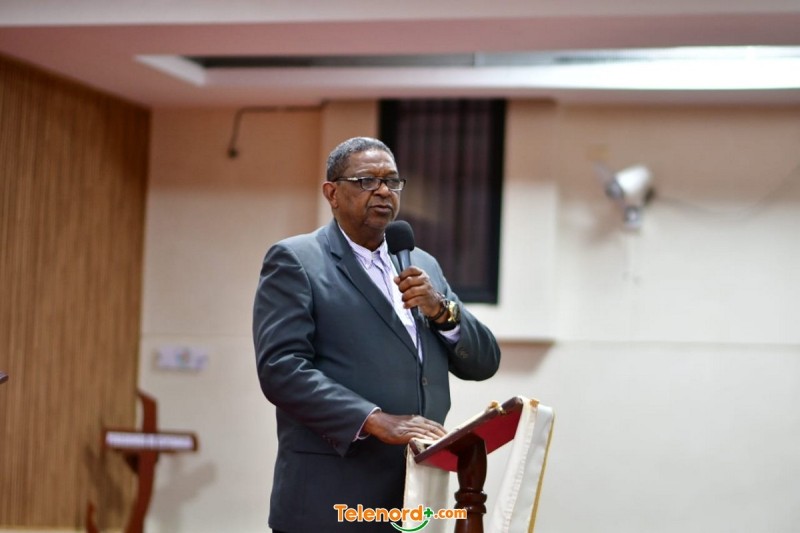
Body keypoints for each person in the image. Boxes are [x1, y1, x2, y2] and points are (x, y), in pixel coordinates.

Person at [252, 136, 501, 532]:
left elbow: (485, 362)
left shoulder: (422, 265)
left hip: (413, 495)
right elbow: (281, 369)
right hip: (331, 496)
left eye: (392, 181)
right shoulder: (297, 261)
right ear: (332, 193)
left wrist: (441, 310)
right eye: (367, 180)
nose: (384, 191)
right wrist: (373, 419)